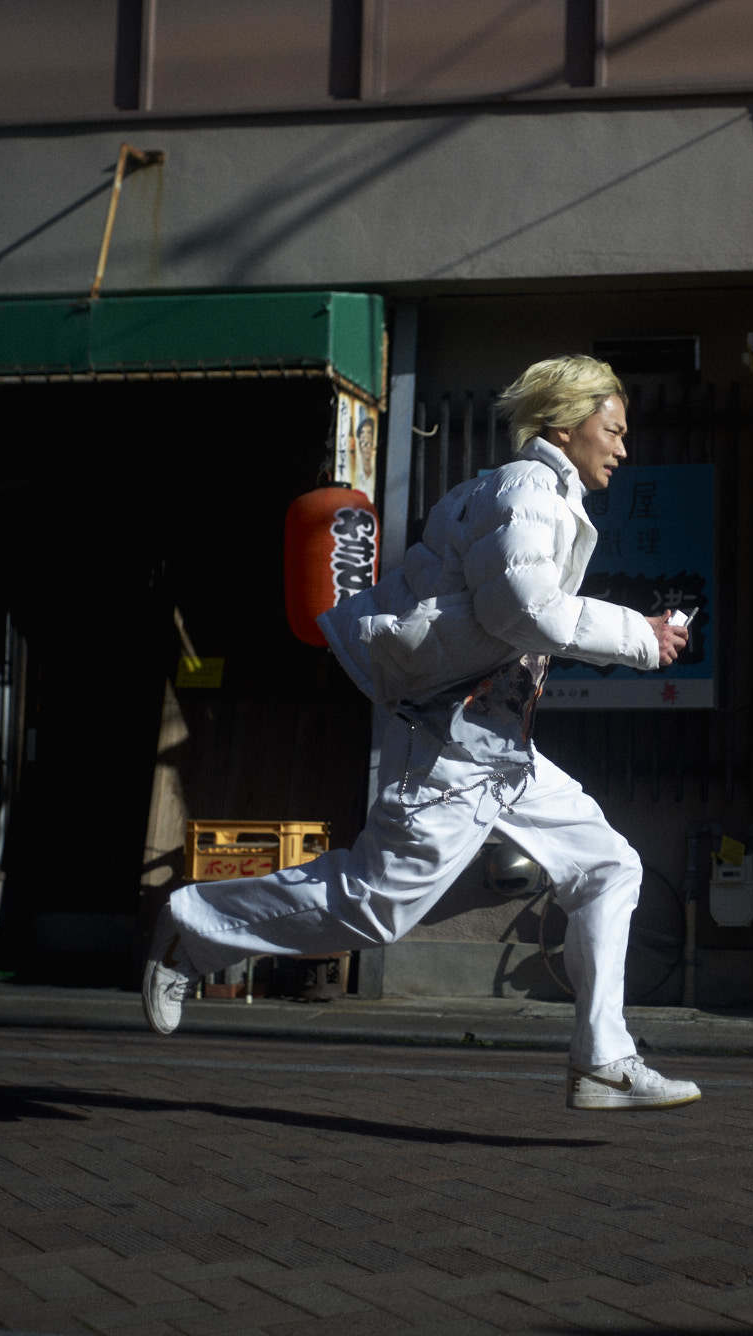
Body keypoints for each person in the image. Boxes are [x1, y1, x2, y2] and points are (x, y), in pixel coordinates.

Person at [141, 354, 701, 1111]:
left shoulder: (534, 493)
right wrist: (639, 636)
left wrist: (632, 633)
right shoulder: (526, 491)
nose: (623, 448)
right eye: (614, 430)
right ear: (566, 428)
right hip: (453, 742)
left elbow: (511, 617)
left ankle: (602, 1057)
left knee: (609, 868)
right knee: (378, 906)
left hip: (494, 739)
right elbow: (523, 611)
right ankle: (195, 926)